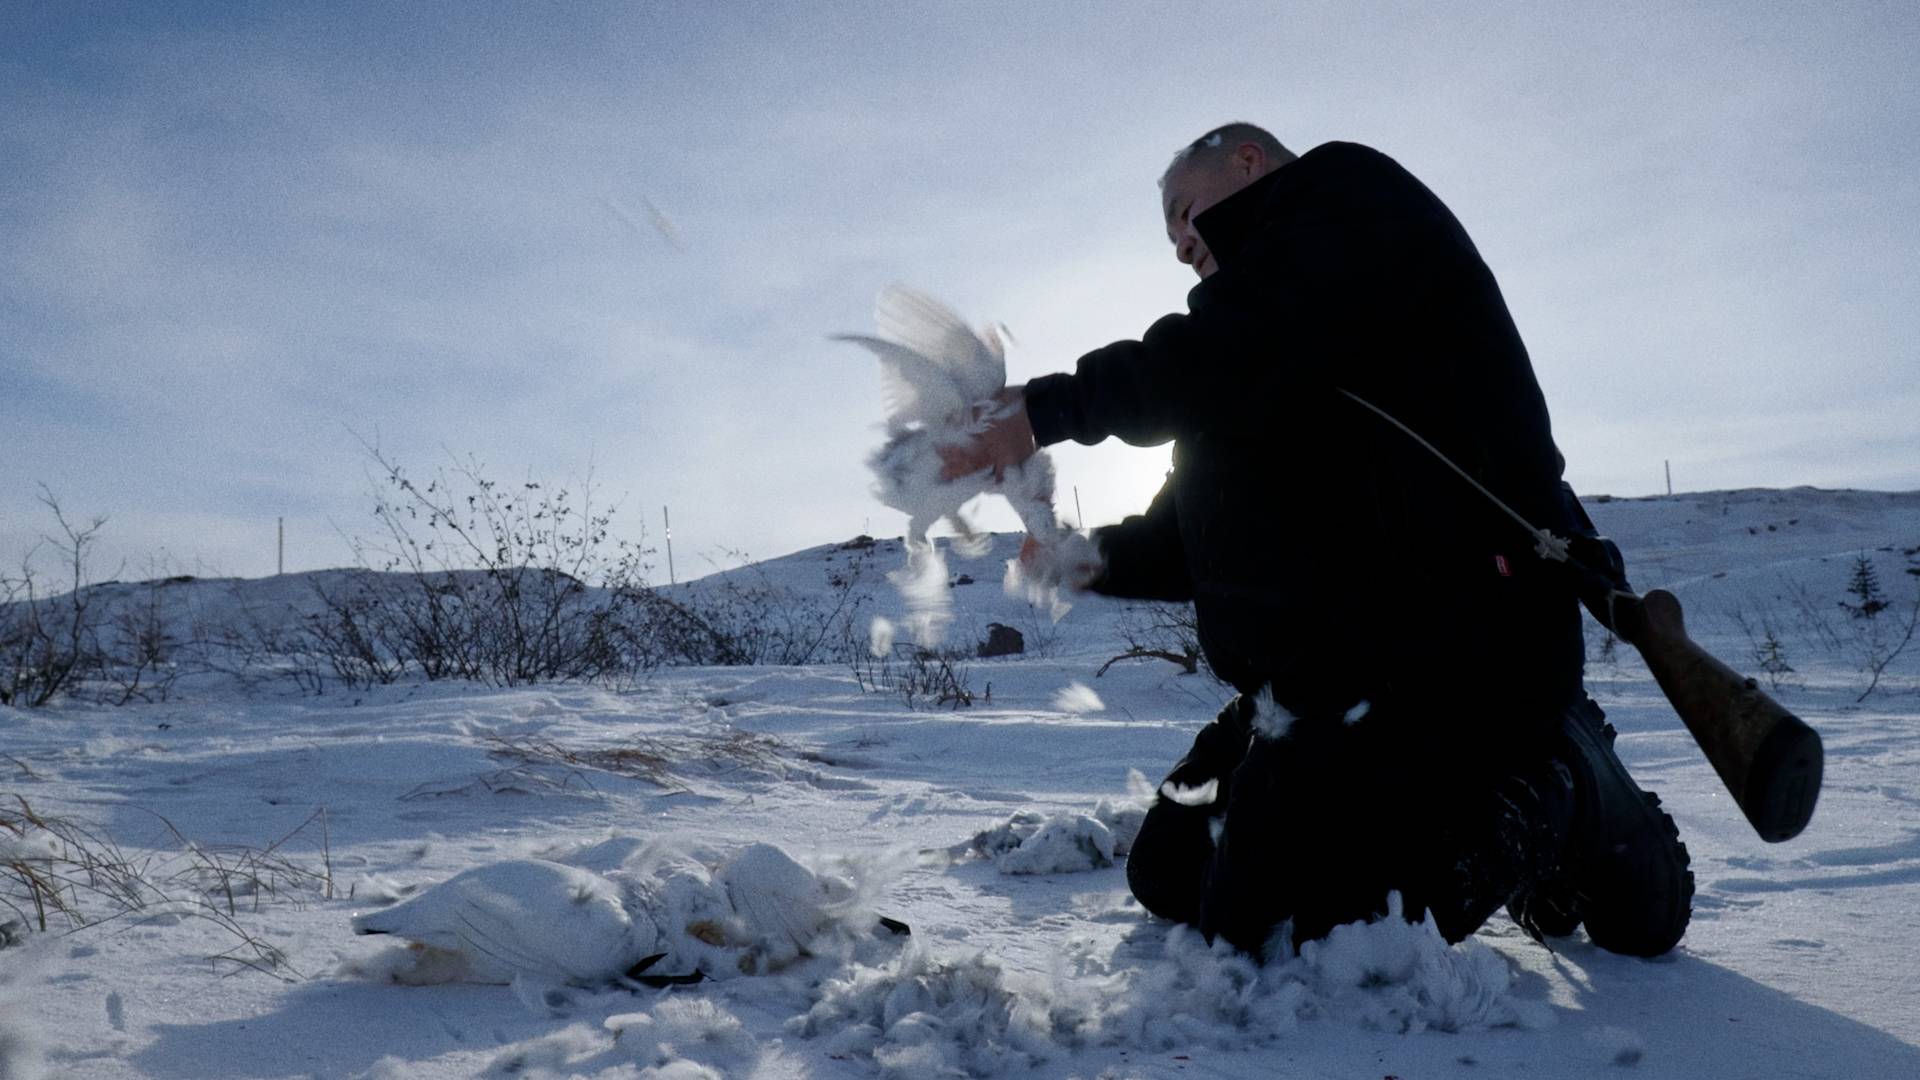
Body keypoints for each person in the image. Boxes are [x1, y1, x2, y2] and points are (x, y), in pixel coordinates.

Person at [941, 123, 1693, 958]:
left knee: (1299, 927)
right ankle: (1475, 813)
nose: (1182, 246)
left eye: (1186, 215)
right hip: (1314, 685)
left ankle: (1563, 782)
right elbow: (1191, 540)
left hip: (1459, 648)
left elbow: (1238, 346)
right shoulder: (1252, 361)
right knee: (1166, 873)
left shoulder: (1348, 204)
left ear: (1249, 163)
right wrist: (1084, 560)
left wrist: (1045, 412)